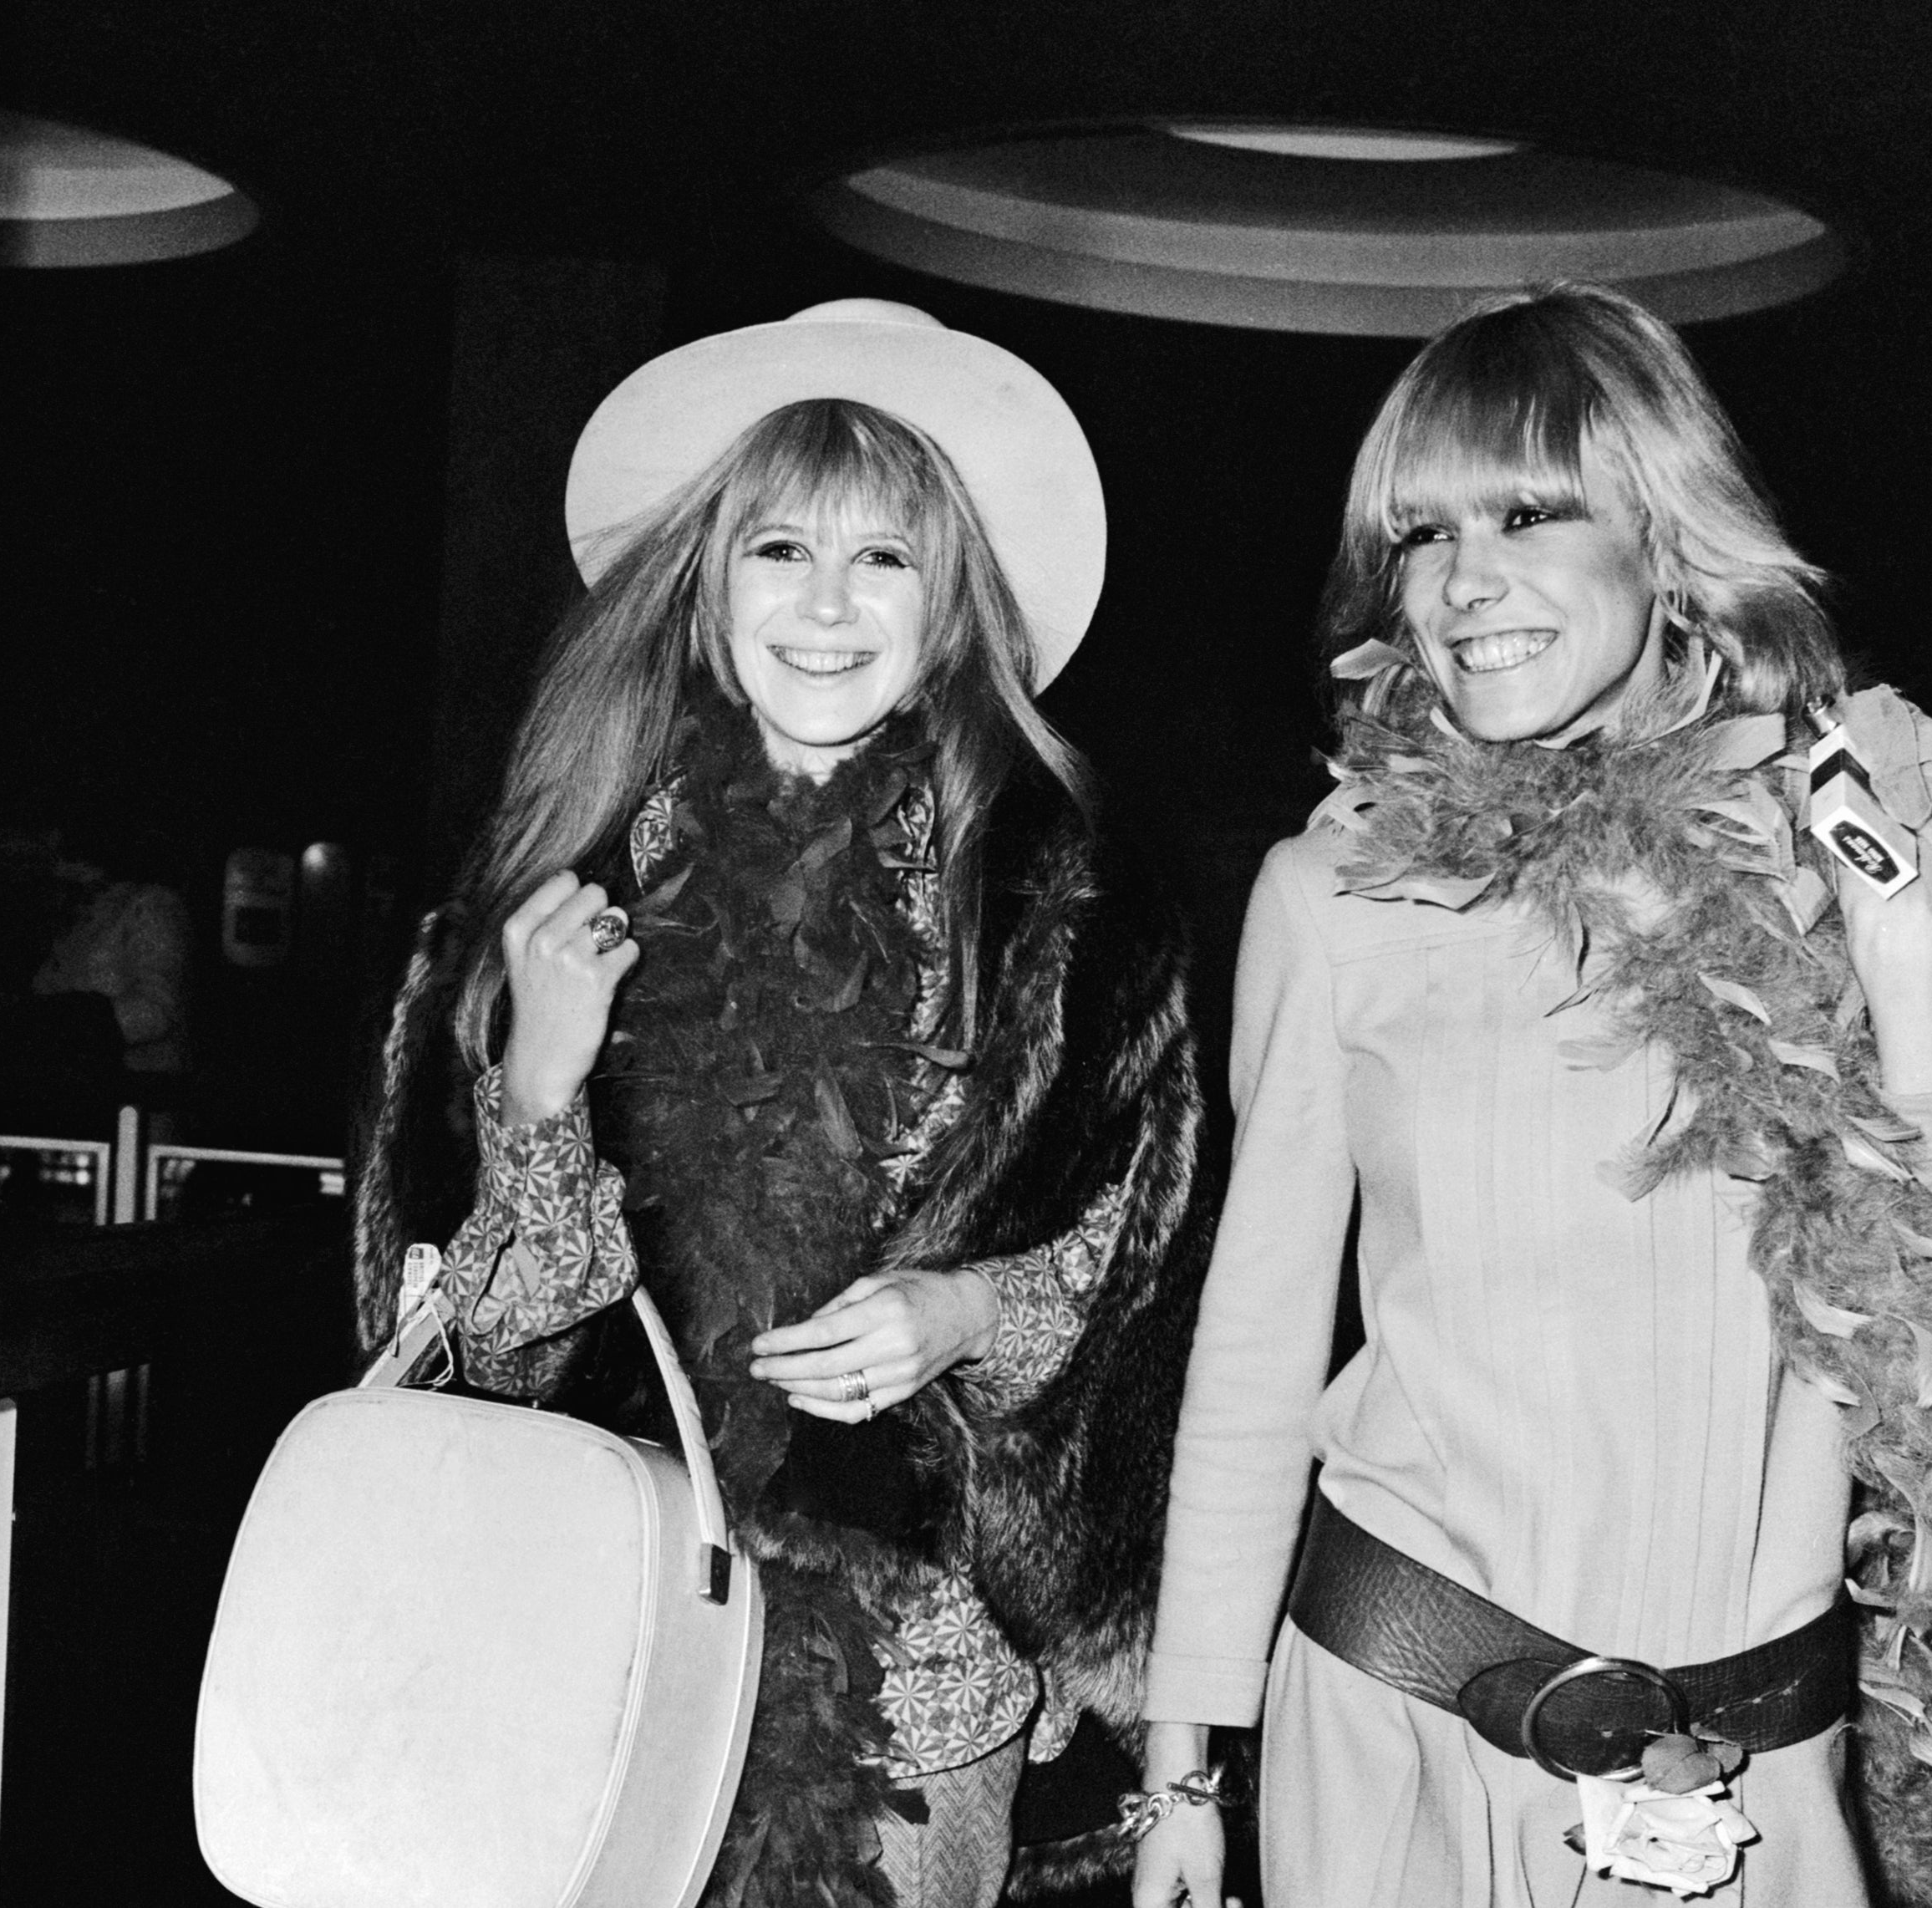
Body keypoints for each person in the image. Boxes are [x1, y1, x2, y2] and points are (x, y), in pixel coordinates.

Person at [1131, 285, 1932, 1908]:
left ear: (1663, 532)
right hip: (1410, 1733)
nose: (1464, 582)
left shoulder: (1847, 850)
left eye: (1530, 511)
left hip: (1757, 1770)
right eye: (1421, 535)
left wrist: (1907, 979)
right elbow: (1255, 1351)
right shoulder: (1335, 893)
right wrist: (1184, 1762)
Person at [353, 301, 1213, 1908]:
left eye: (882, 559)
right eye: (777, 551)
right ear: (703, 588)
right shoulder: (542, 901)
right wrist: (541, 1084)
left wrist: (968, 1307)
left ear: (948, 605)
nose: (826, 605)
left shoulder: (1071, 919)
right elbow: (474, 1362)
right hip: (591, 1646)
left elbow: (1145, 1283)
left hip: (918, 1676)